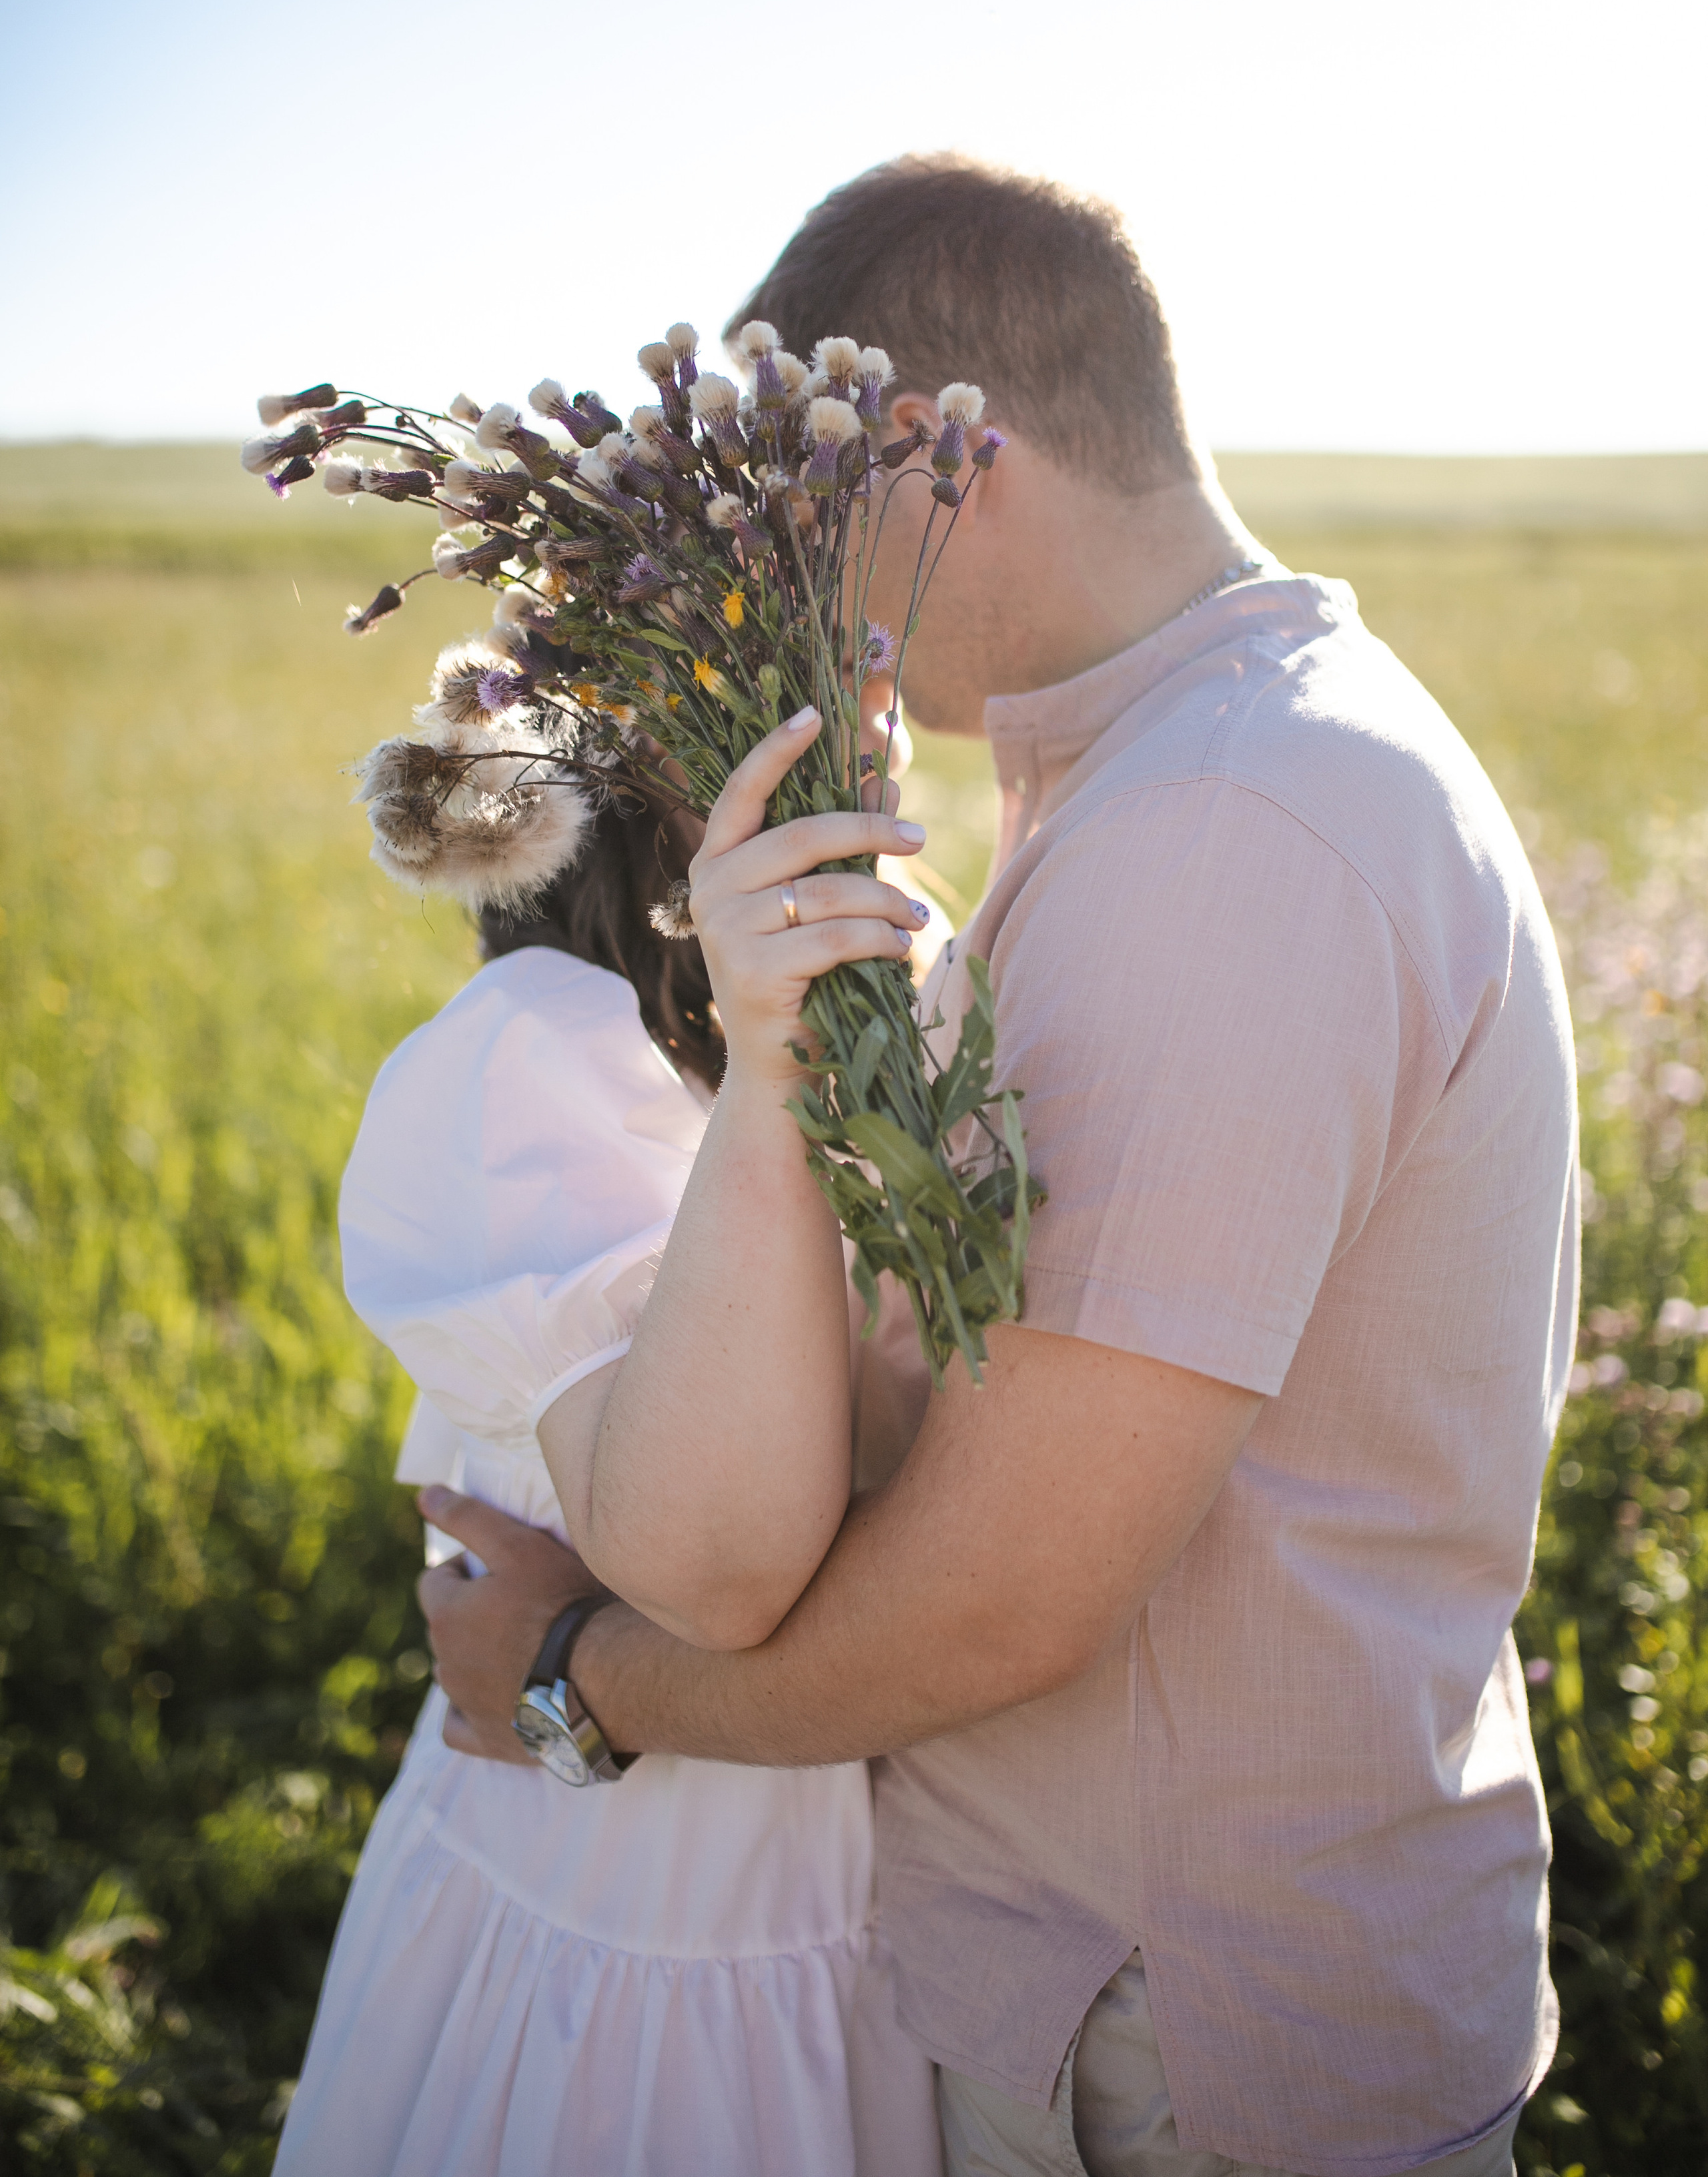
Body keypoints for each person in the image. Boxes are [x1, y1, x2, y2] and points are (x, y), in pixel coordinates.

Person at [421, 155, 1577, 2177]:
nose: (793, 593)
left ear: (957, 457)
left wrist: (577, 1683)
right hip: (1142, 2008)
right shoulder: (1191, 771)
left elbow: (1011, 1595)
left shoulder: (1236, 823)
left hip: (1182, 2047)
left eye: (807, 520)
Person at [274, 782, 944, 2177]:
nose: (879, 766)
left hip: (852, 1911)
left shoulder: (853, 1045)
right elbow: (710, 1563)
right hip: (636, 1922)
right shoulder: (540, 1063)